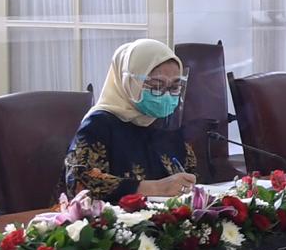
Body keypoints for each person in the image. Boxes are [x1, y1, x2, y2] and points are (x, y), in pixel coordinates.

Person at [62, 39, 197, 202]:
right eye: (156, 86)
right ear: (129, 81)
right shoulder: (99, 124)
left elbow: (190, 173)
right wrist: (155, 188)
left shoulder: (165, 122)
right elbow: (79, 183)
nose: (166, 95)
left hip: (164, 220)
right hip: (109, 222)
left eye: (174, 87)